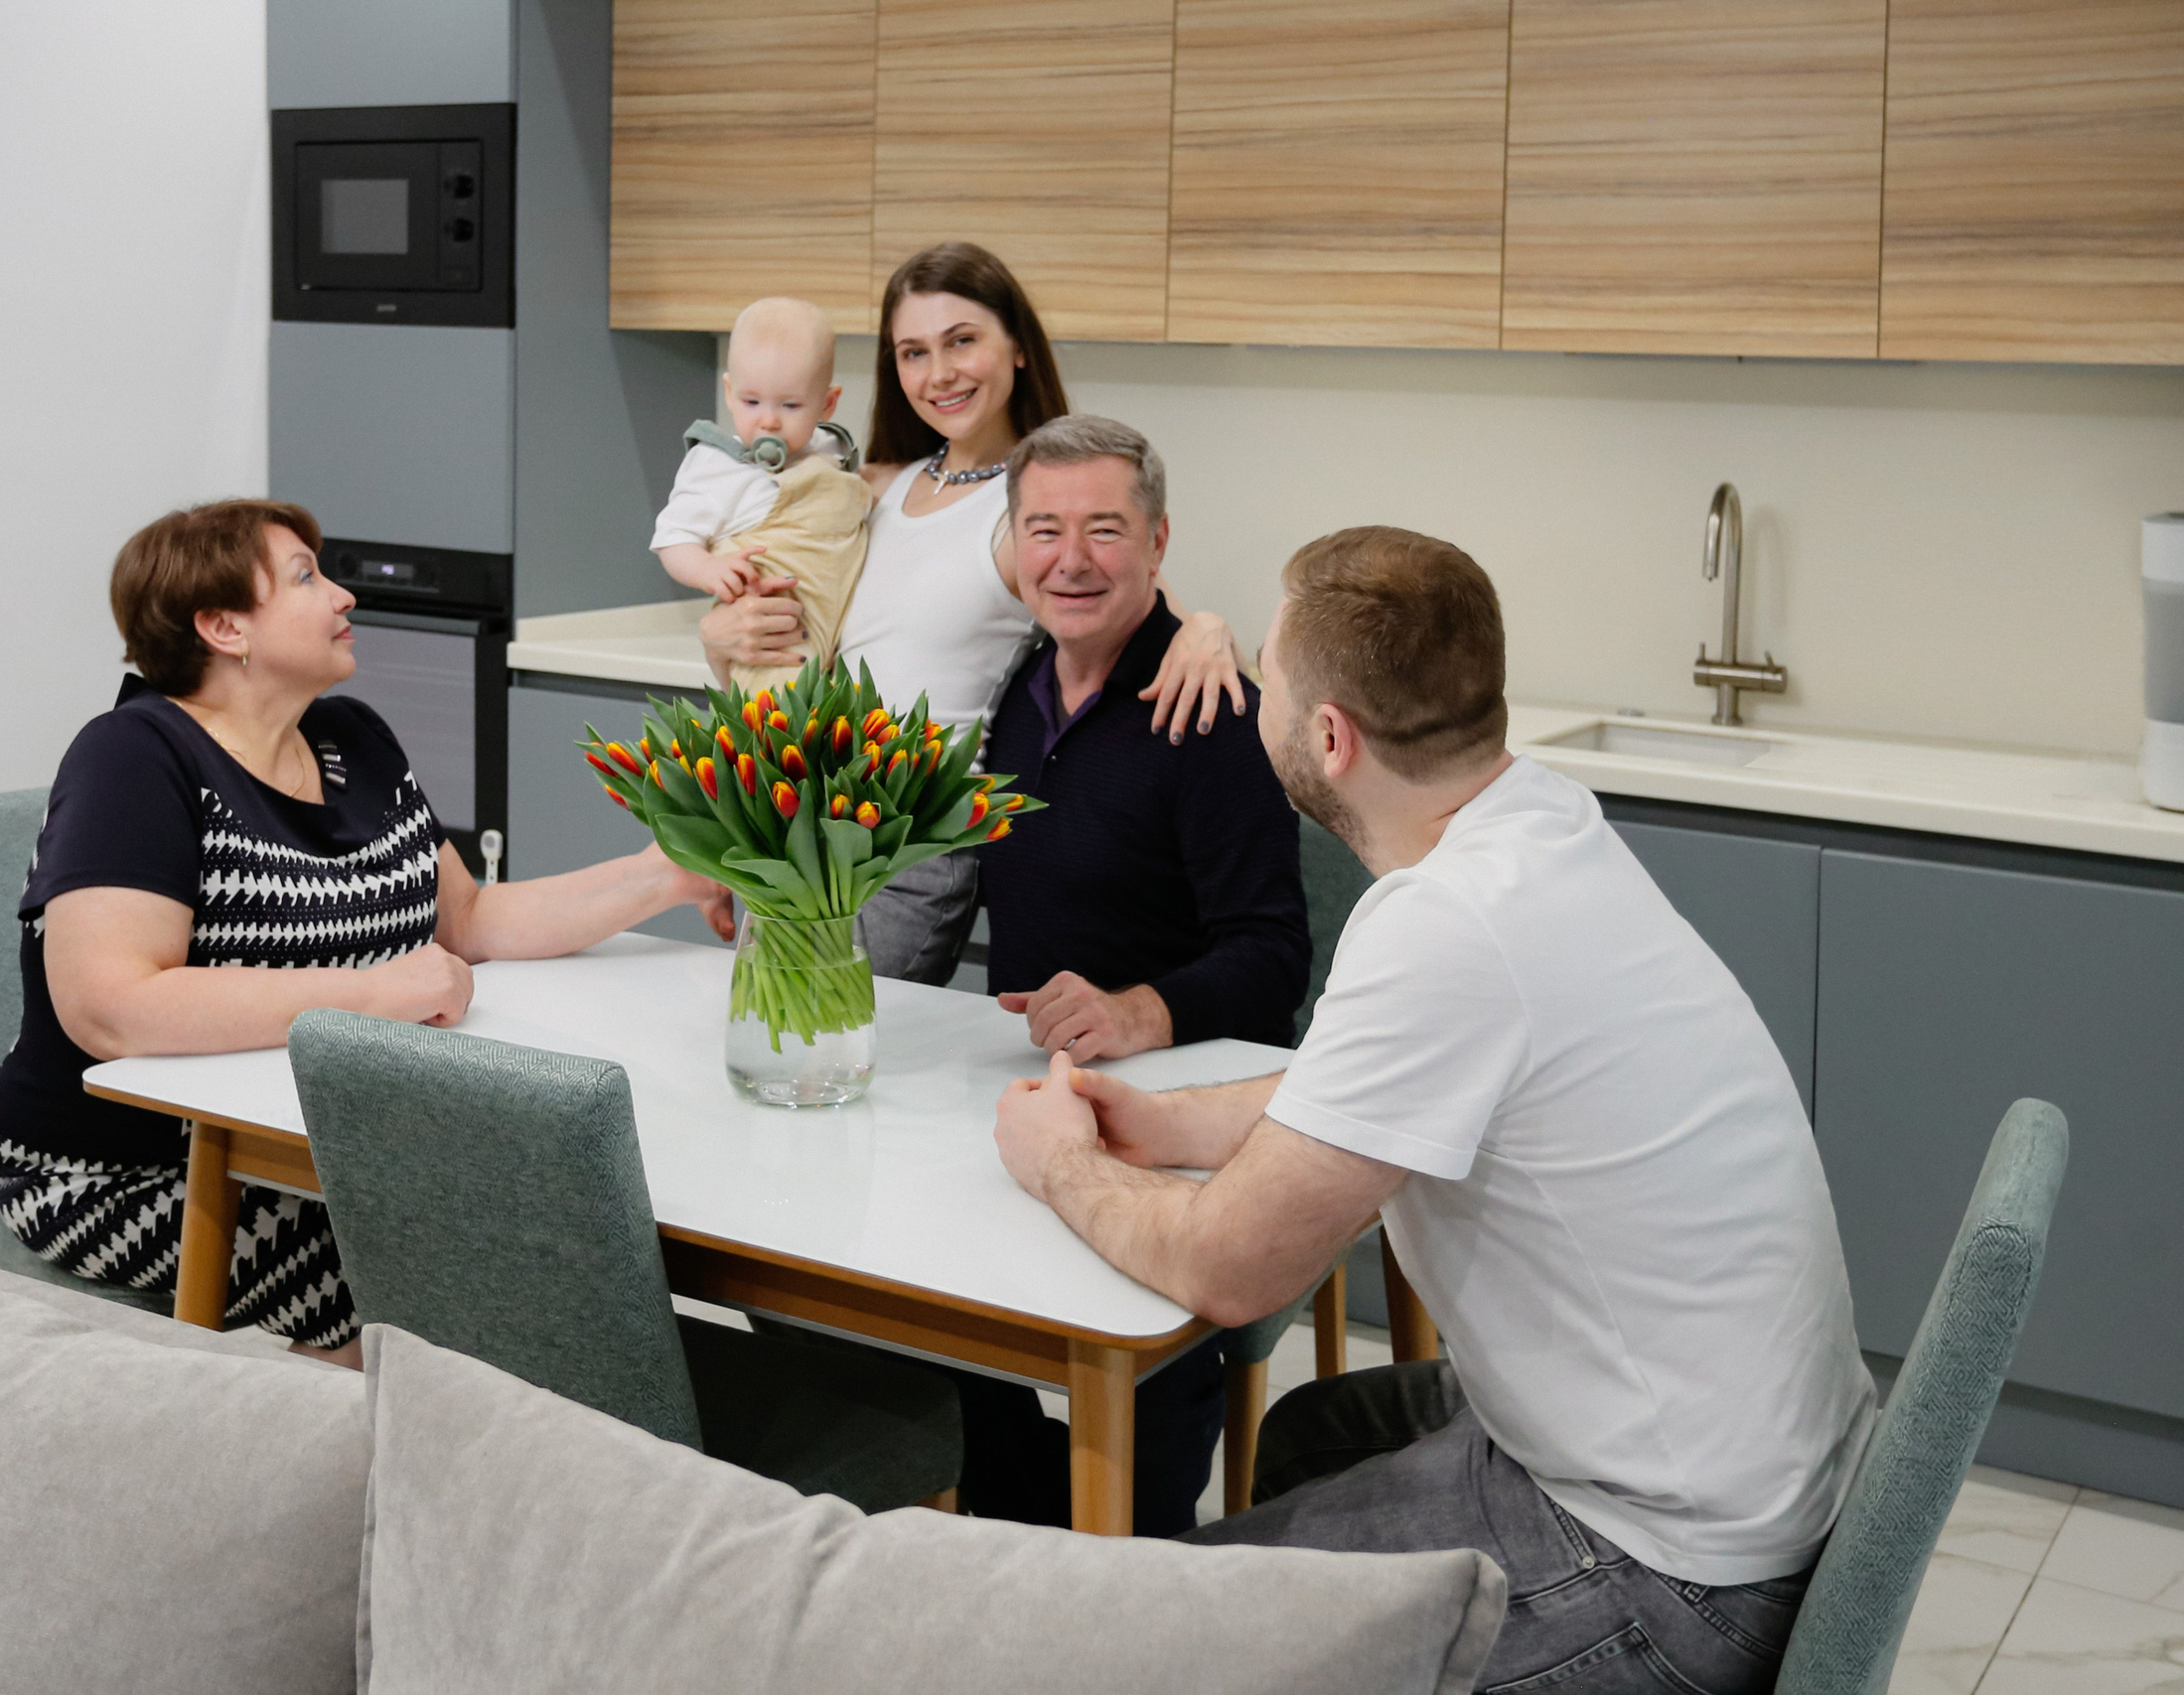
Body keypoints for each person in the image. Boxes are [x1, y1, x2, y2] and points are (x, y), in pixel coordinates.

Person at [991, 526, 1876, 1692]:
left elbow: (1229, 1269)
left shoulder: (1444, 926)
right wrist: (1172, 1124)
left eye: (1268, 665)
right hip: (1748, 1469)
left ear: (1326, 738)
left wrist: (1061, 1161)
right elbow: (1385, 1078)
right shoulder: (1541, 824)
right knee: (1311, 1438)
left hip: (1667, 1570)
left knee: (1147, 1635)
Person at [0, 499, 733, 1368]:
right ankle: (350, 1484)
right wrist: (376, 995)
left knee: (527, 1227)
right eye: (305, 576)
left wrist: (665, 872)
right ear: (225, 626)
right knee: (425, 1271)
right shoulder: (133, 757)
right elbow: (110, 1005)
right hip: (120, 1172)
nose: (343, 595)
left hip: (323, 1141)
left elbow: (472, 920)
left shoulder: (352, 737)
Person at [698, 242, 1246, 985]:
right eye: (913, 352)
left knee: (832, 1045)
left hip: (911, 839)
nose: (940, 372)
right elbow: (796, 635)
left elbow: (1149, 612)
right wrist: (717, 636)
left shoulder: (1029, 509)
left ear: (1016, 345)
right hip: (805, 813)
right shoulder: (871, 485)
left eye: (963, 341)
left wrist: (1209, 629)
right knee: (768, 1037)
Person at [948, 415, 1308, 1535]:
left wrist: (1137, 1011)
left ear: (1157, 543)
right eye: (1043, 529)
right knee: (928, 1317)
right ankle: (1011, 1531)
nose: (1071, 559)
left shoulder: (1208, 709)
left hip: (1180, 1115)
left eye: (1104, 530)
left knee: (1145, 1391)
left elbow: (1272, 956)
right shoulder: (1015, 688)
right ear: (1010, 546)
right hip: (1026, 1094)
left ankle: (1137, 1563)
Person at [651, 297, 873, 697]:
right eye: (752, 402)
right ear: (730, 393)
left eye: (790, 405)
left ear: (828, 403)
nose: (769, 420)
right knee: (778, 726)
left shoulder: (831, 449)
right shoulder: (716, 466)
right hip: (774, 635)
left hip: (841, 631)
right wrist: (706, 568)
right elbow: (672, 536)